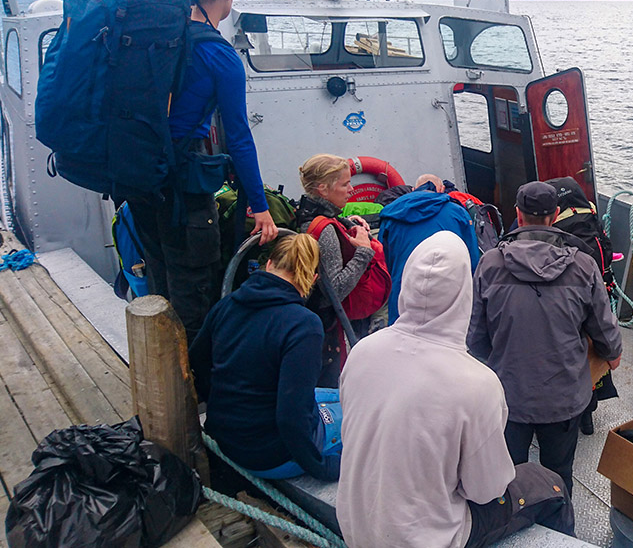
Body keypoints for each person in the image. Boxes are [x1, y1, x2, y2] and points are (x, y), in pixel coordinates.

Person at [338, 231, 574, 548]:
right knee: (548, 483)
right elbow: (486, 490)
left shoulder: (362, 352)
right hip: (424, 540)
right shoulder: (477, 383)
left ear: (405, 283)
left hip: (356, 527)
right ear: (465, 292)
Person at [127, 0, 277, 342]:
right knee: (198, 292)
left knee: (161, 280)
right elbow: (239, 137)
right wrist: (259, 208)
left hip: (141, 182)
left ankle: (163, 375)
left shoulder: (158, 42)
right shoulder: (218, 55)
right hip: (184, 192)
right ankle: (201, 390)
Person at [467, 181, 622, 495]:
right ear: (555, 216)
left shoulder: (490, 264)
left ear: (518, 216)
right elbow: (604, 330)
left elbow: (476, 340)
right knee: (559, 475)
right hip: (563, 399)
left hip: (508, 396)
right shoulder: (583, 265)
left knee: (508, 477)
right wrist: (612, 353)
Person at [189, 234, 341, 481]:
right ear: (313, 280)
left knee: (341, 397)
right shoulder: (304, 325)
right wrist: (320, 467)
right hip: (269, 455)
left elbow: (198, 361)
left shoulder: (226, 305)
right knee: (366, 418)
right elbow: (290, 416)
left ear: (269, 264)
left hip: (226, 435)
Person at [295, 154, 389, 386]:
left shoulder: (304, 213)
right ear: (323, 189)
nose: (351, 189)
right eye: (345, 184)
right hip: (326, 326)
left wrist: (347, 223)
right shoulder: (325, 231)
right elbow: (334, 291)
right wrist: (364, 252)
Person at [548, 176, 618, 436]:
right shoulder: (590, 215)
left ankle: (573, 416)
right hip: (595, 297)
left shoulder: (555, 225)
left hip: (568, 304)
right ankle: (588, 415)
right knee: (591, 355)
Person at [378, 179, 478, 325]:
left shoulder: (391, 216)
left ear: (413, 189)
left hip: (402, 299)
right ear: (441, 188)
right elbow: (472, 261)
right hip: (447, 300)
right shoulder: (458, 213)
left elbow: (383, 263)